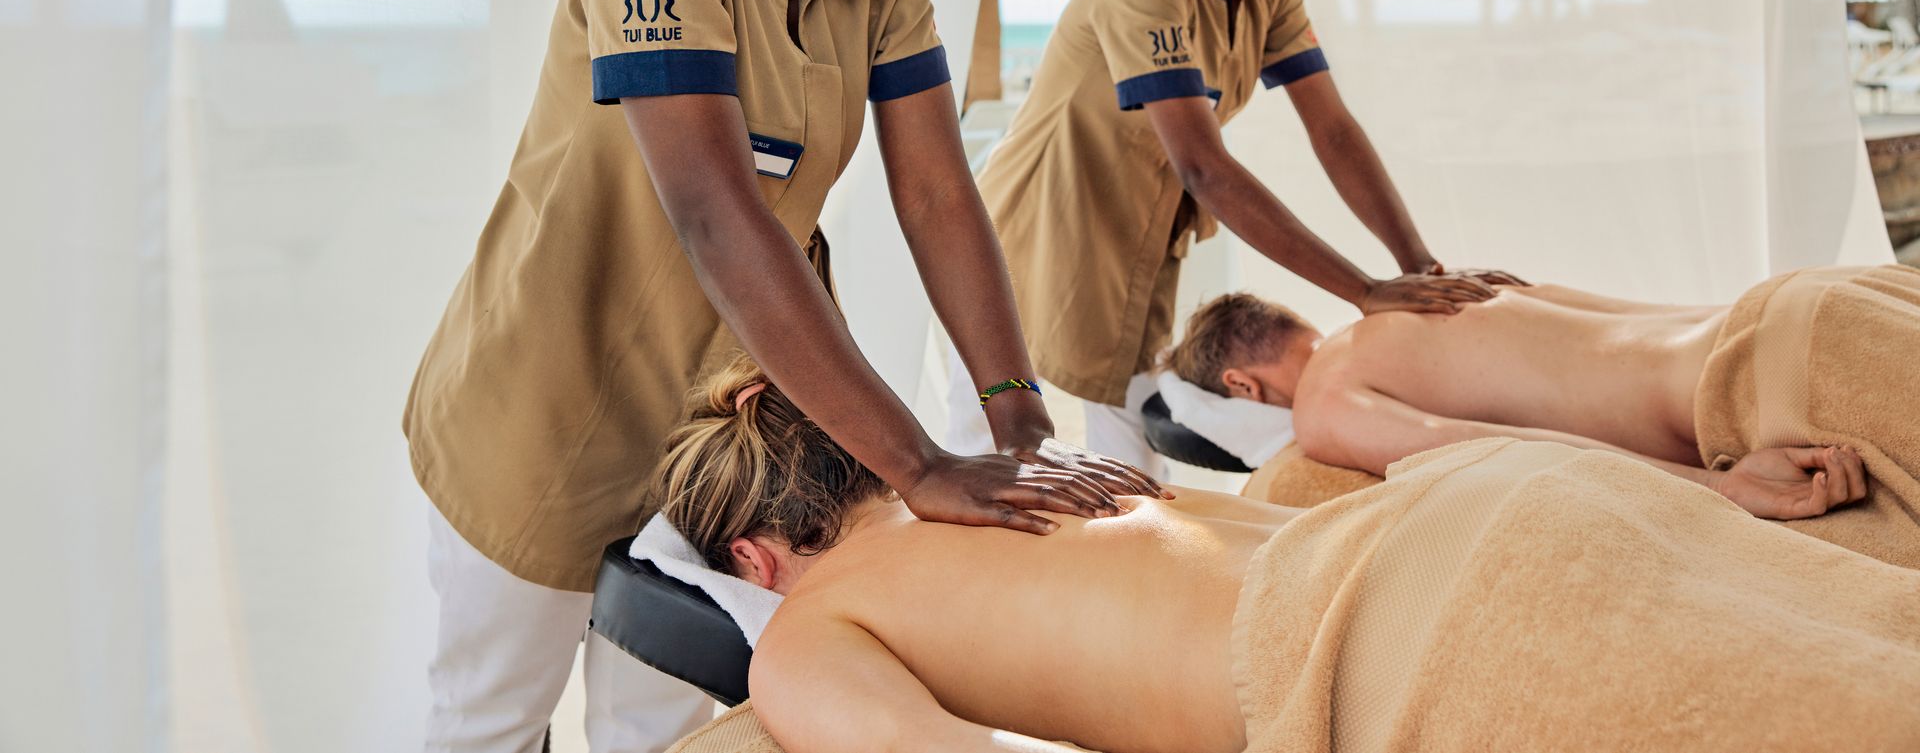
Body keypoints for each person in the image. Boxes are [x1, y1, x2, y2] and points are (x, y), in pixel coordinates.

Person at [401, 0, 1160, 753]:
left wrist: (1018, 423)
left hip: (708, 443)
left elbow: (937, 191)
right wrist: (916, 464)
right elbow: (715, 212)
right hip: (540, 412)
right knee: (488, 728)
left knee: (664, 729)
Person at [654, 361, 1920, 753]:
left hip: (1416, 635)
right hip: (1502, 502)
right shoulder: (1031, 480)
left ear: (755, 559)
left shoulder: (814, 630)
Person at [957, 0, 1518, 470]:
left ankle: (1129, 563)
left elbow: (1335, 130)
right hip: (1031, 223)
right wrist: (1364, 289)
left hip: (1132, 237)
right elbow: (1205, 168)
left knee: (1129, 459)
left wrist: (1420, 268)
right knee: (988, 441)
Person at [1165, 280, 1877, 522]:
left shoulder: (1323, 404)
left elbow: (1506, 456)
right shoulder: (1430, 294)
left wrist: (1721, 486)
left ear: (1241, 386)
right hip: (1785, 307)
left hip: (1752, 386)